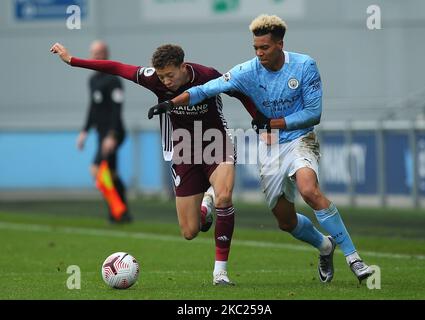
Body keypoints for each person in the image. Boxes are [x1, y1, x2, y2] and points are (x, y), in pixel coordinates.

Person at [150, 14, 374, 283]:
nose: (259, 53)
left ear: (280, 44)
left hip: (301, 139)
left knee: (309, 190)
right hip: (269, 149)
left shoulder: (305, 66)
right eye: (255, 48)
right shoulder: (247, 71)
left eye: (264, 47)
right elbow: (206, 89)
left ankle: (355, 260)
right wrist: (172, 104)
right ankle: (325, 246)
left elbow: (314, 113)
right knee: (285, 221)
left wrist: (274, 122)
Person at [50, 42, 257, 285]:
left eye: (170, 75)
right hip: (183, 148)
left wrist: (260, 119)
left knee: (224, 196)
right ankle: (204, 208)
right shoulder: (153, 79)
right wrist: (73, 60)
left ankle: (219, 272)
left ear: (183, 66)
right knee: (189, 232)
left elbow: (238, 90)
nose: (166, 81)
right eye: (161, 76)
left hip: (216, 142)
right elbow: (117, 67)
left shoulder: (207, 75)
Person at [74, 40, 132, 224]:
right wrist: (84, 131)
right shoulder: (92, 80)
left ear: (106, 54)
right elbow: (93, 108)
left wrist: (112, 136)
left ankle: (117, 211)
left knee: (97, 170)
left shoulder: (113, 79)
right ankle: (121, 213)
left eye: (100, 52)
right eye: (94, 53)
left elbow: (117, 109)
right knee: (110, 174)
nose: (96, 56)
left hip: (114, 133)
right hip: (101, 133)